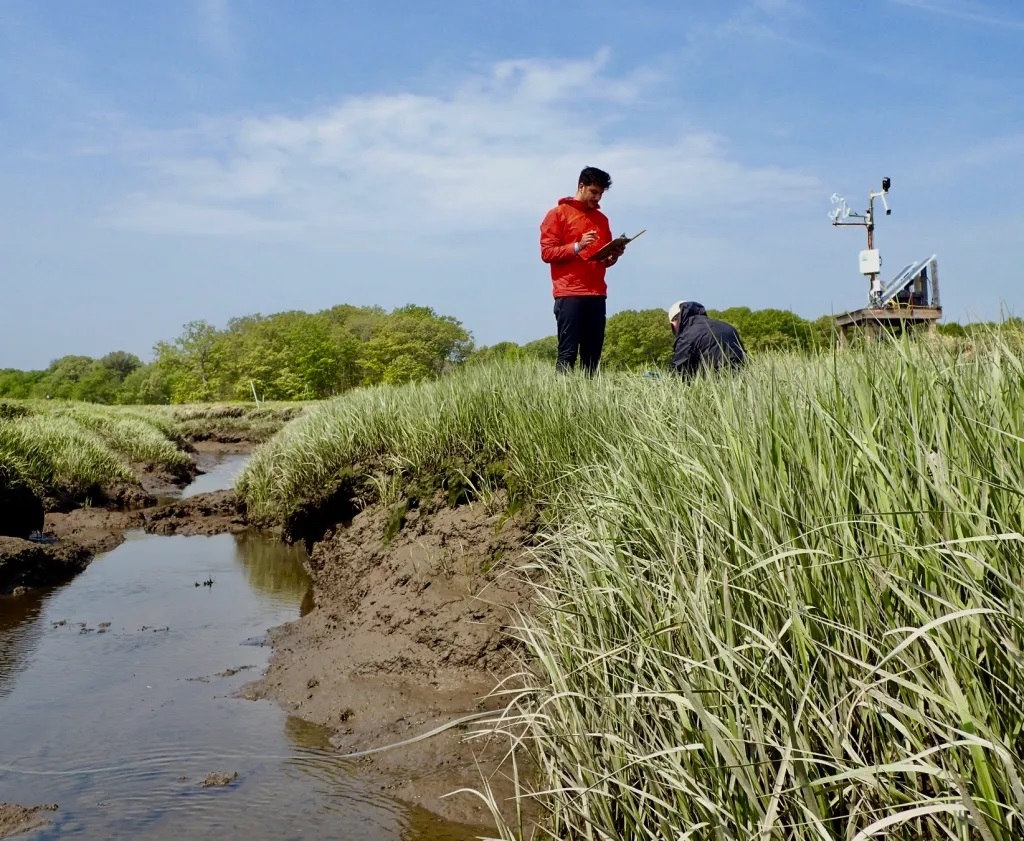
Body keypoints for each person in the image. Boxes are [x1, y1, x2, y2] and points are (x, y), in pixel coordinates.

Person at [539, 166, 625, 375]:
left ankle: (590, 404)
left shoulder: (602, 220)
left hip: (597, 293)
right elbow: (547, 253)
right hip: (569, 294)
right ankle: (561, 401)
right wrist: (577, 246)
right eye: (594, 192)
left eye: (601, 194)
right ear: (581, 186)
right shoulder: (557, 214)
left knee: (592, 356)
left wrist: (613, 255)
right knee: (567, 353)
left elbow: (602, 261)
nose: (598, 198)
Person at [668, 300, 747, 378]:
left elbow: (679, 372)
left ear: (675, 320)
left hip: (712, 385)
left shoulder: (686, 337)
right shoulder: (729, 328)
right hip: (740, 382)